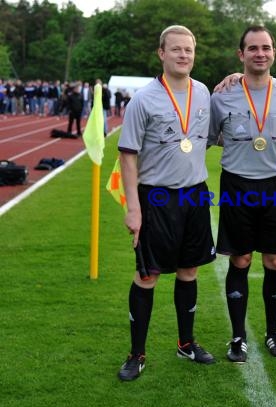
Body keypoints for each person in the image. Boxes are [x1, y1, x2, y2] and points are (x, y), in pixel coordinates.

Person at [208, 25, 276, 363]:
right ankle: (238, 337)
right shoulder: (221, 95)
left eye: (266, 48)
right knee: (240, 260)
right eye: (252, 48)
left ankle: (272, 333)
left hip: (275, 186)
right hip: (237, 184)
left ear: (274, 53)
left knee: (275, 260)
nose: (260, 53)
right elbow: (210, 136)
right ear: (241, 54)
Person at [116, 25, 216, 381]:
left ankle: (186, 343)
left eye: (188, 49)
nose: (183, 55)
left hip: (195, 194)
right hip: (156, 196)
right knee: (148, 275)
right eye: (176, 49)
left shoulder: (203, 92)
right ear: (161, 53)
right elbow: (128, 156)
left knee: (190, 270)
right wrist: (133, 207)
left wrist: (234, 77)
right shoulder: (144, 99)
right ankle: (136, 353)